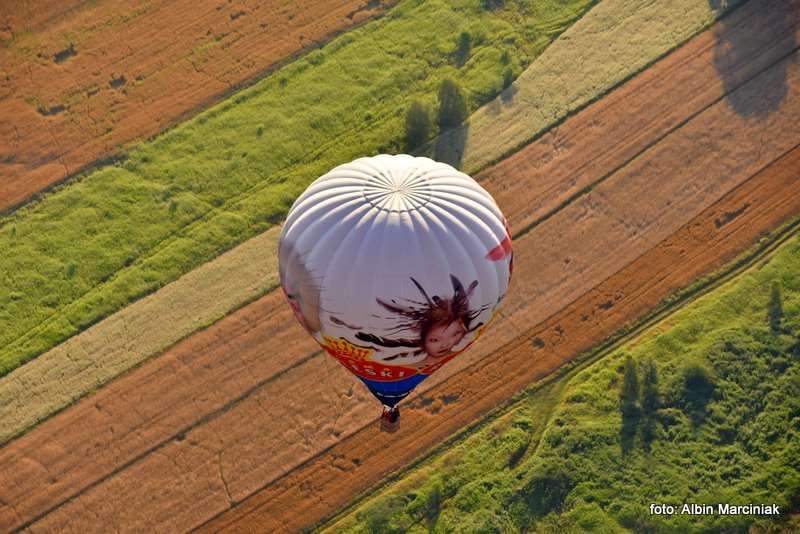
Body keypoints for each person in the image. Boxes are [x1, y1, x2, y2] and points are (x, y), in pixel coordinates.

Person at [355, 274, 487, 368]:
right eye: (434, 340)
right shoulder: (405, 365)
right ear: (422, 339)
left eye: (456, 334)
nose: (445, 345)